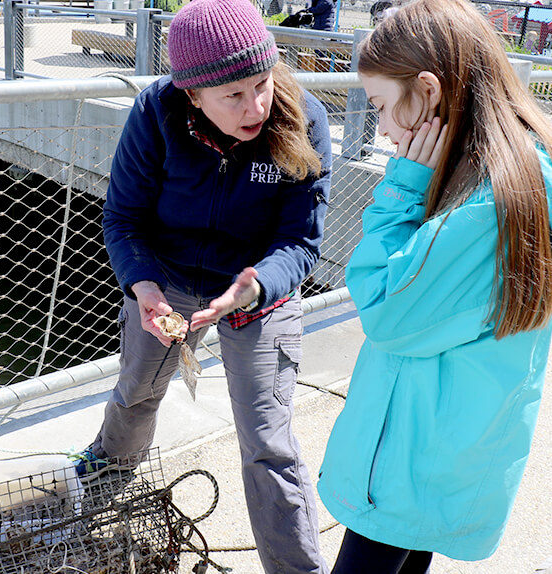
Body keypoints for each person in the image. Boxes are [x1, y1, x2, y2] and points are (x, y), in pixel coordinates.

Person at [74, 0, 333, 571]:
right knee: (137, 389)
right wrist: (142, 285)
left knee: (268, 444)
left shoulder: (304, 119)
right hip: (165, 283)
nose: (256, 106)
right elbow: (122, 217)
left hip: (255, 293)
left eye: (262, 84)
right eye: (234, 95)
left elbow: (303, 240)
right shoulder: (156, 111)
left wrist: (258, 285)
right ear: (192, 94)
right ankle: (102, 475)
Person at [317, 1, 552, 572]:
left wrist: (400, 192)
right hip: (443, 448)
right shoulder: (519, 166)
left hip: (409, 462)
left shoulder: (490, 201)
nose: (380, 128)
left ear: (427, 90)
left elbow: (386, 310)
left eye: (379, 106)